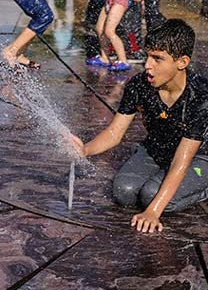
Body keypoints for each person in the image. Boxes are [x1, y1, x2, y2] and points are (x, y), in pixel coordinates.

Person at [71, 19, 208, 233]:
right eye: (148, 56)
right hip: (156, 149)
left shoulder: (199, 96)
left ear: (182, 62)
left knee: (152, 196)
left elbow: (182, 160)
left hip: (198, 157)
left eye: (158, 59)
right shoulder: (140, 85)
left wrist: (153, 211)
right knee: (123, 192)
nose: (147, 65)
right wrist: (85, 150)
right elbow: (115, 132)